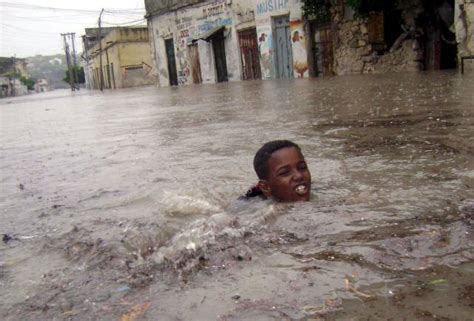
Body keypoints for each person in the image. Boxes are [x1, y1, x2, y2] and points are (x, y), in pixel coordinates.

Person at [242, 140, 311, 202]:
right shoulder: (262, 213)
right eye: (285, 173)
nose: (299, 176)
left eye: (302, 167)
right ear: (265, 187)